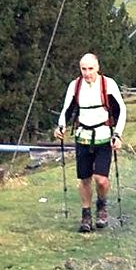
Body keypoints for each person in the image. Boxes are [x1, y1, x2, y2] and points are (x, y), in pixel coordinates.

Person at [54, 53, 126, 233]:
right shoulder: (75, 86)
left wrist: (118, 134)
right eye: (83, 69)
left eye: (90, 69)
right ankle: (86, 215)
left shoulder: (108, 84)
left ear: (98, 67)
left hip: (104, 137)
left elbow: (121, 110)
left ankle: (101, 204)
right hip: (83, 137)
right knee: (84, 179)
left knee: (101, 180)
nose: (87, 73)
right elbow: (67, 110)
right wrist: (61, 126)